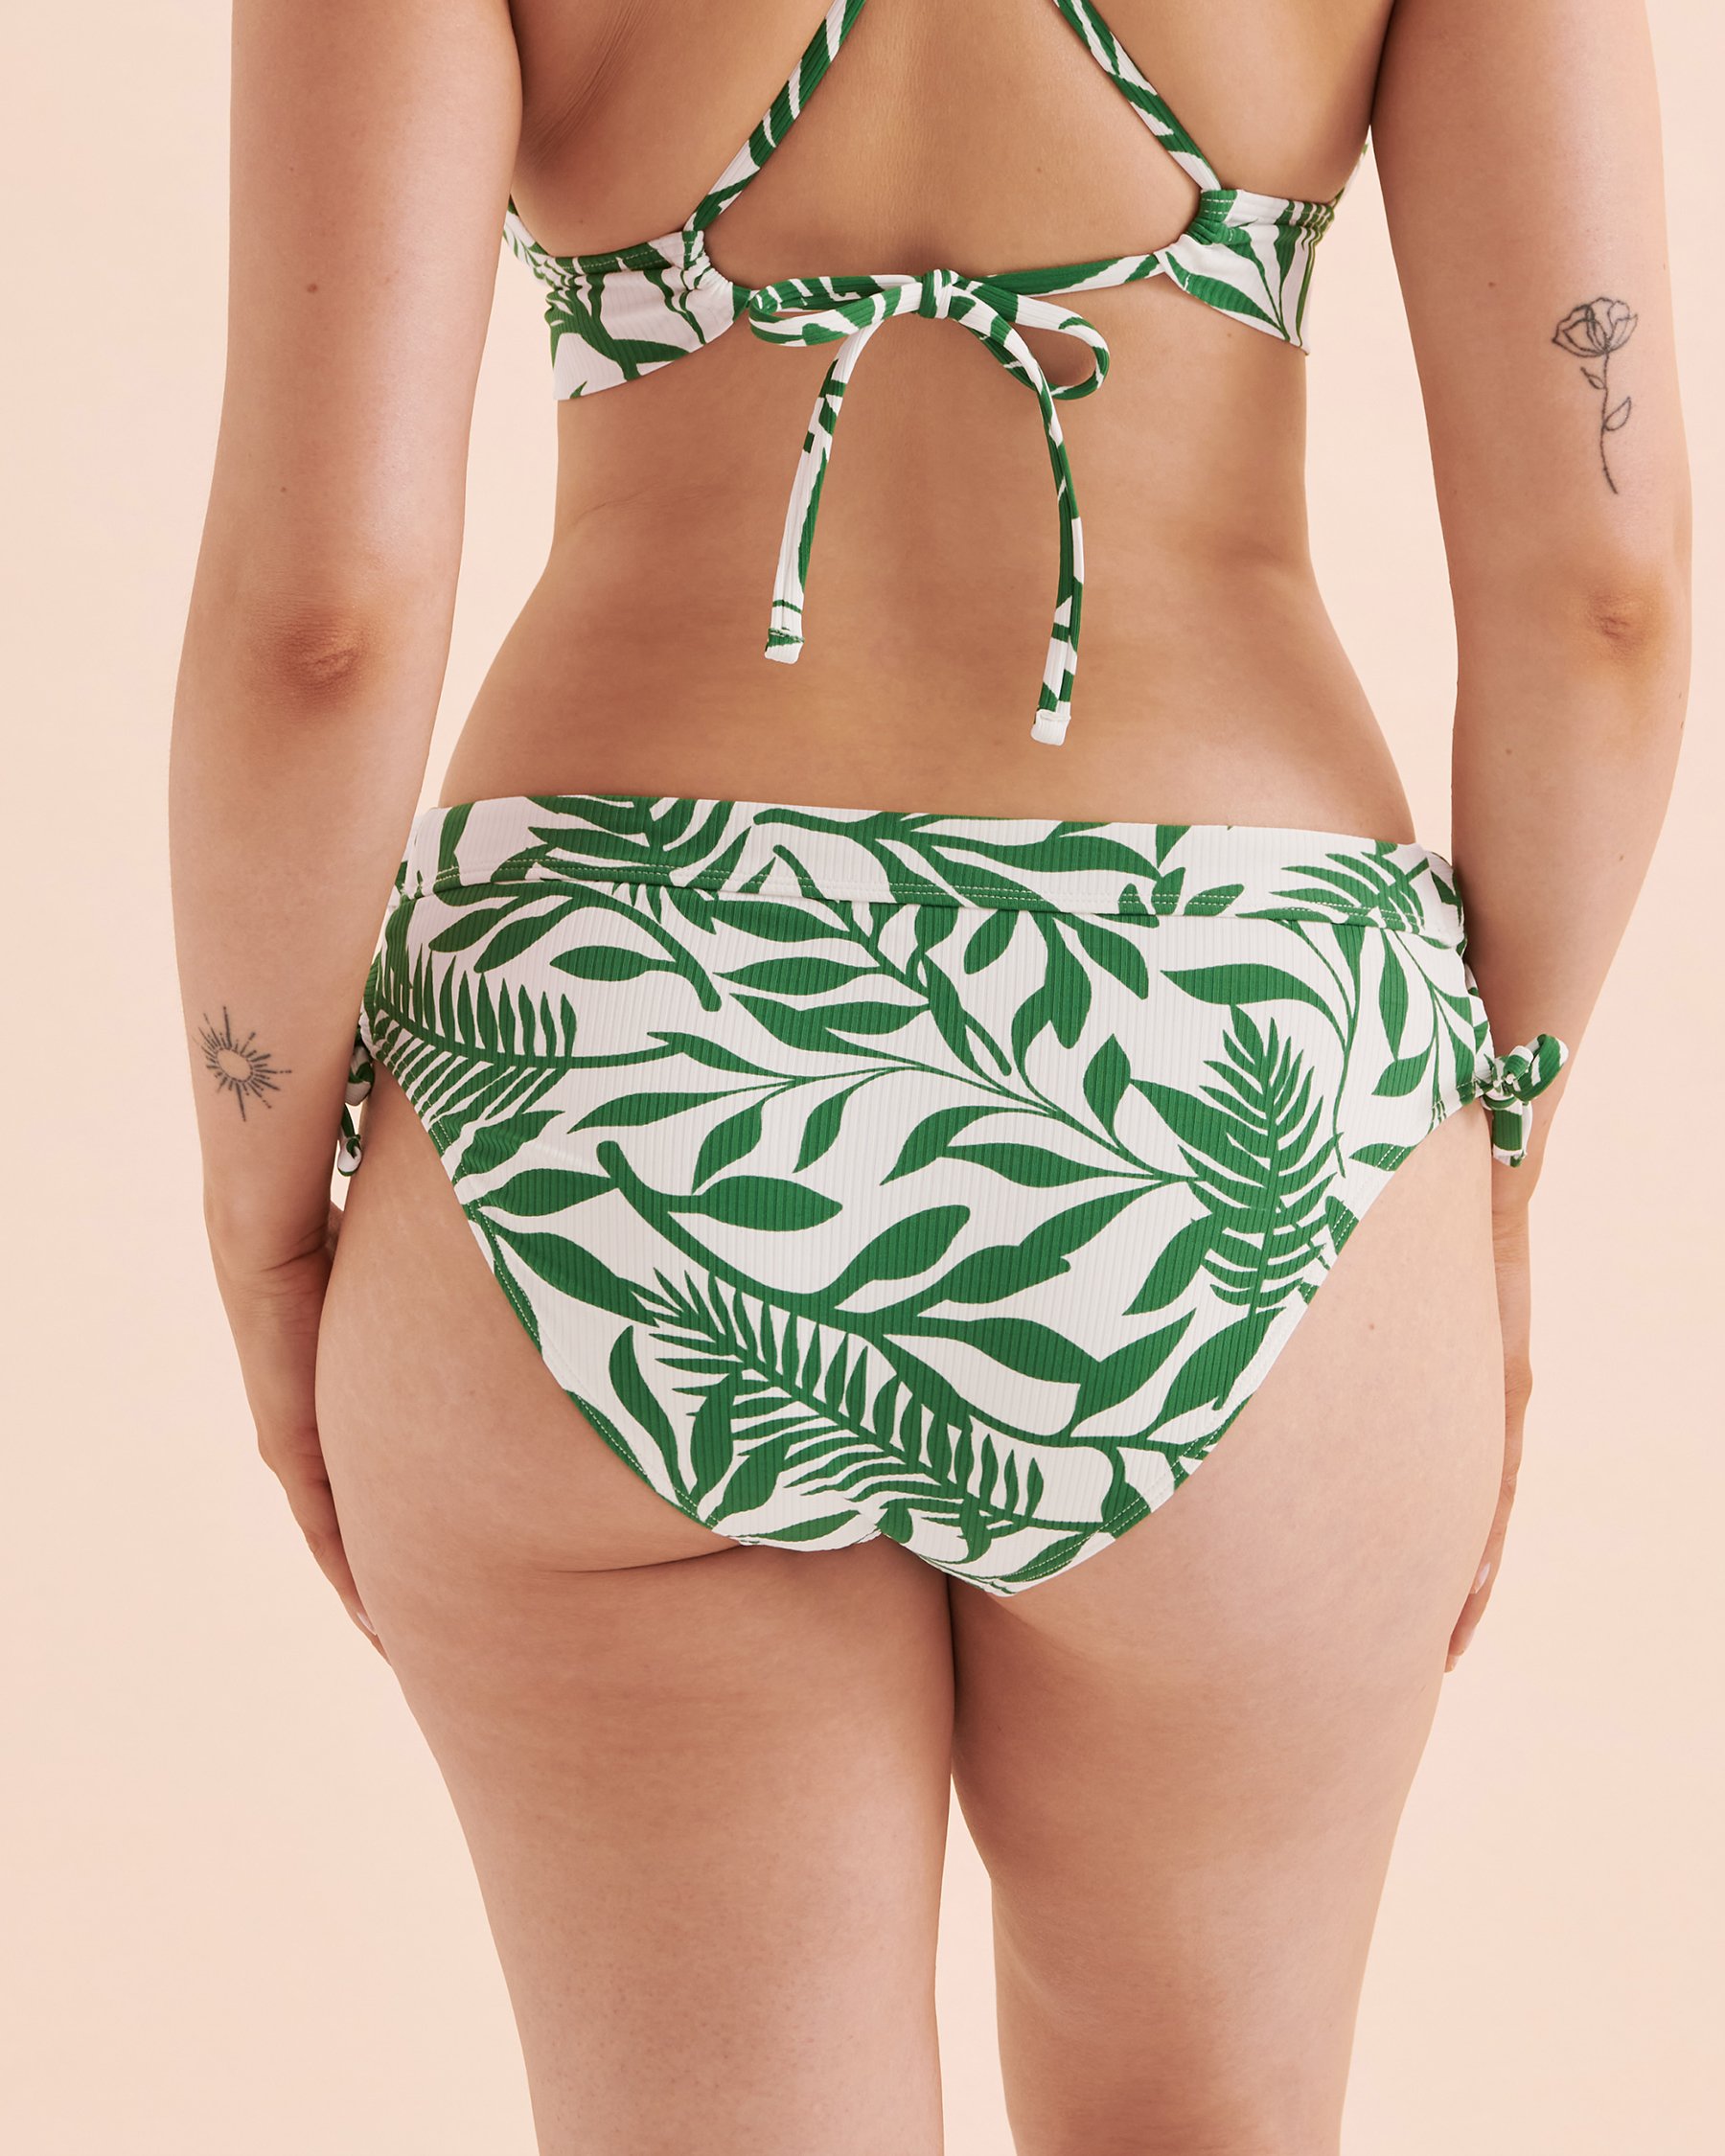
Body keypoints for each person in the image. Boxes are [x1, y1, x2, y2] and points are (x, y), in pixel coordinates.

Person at [171, 2, 1690, 2148]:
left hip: (610, 1063)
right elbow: (1604, 592)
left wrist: (265, 1231)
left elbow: (319, 618)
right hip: (1229, 1050)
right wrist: (1490, 1162)